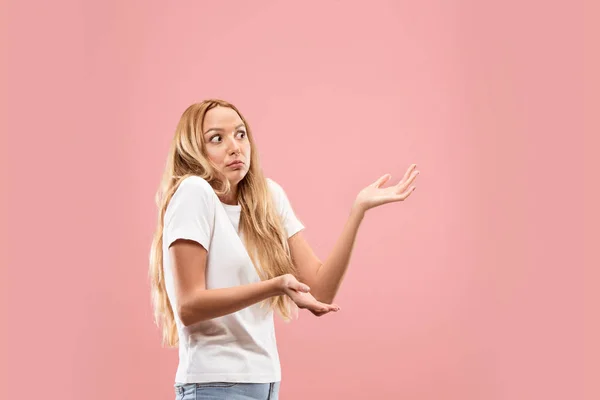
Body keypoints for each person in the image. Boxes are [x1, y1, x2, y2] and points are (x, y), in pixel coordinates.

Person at [149, 99, 419, 400]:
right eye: (217, 138)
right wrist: (274, 286)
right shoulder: (193, 192)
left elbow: (319, 291)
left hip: (266, 384)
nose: (235, 147)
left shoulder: (268, 197)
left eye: (240, 134)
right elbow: (188, 306)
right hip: (214, 384)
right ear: (193, 150)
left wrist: (358, 211)